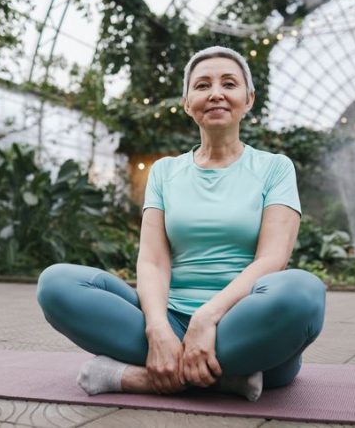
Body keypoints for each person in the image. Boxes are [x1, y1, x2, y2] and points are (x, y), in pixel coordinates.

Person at [36, 45, 326, 402]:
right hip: (169, 323)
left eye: (229, 83)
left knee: (302, 294)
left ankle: (132, 376)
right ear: (188, 102)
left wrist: (207, 319)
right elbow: (153, 261)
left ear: (248, 99)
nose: (216, 93)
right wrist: (158, 328)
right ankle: (225, 378)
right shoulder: (165, 171)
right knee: (56, 284)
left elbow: (272, 259)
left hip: (243, 322)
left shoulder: (275, 167)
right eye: (202, 85)